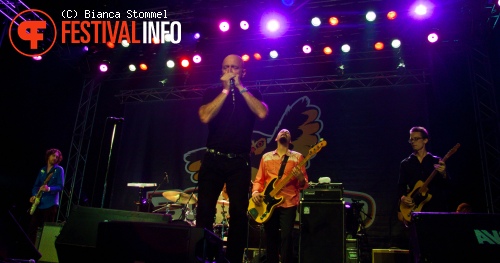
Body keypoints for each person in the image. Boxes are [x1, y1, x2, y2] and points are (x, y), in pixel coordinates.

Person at [196, 54, 268, 263]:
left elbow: (262, 113)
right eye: (226, 67)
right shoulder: (212, 92)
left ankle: (234, 259)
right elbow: (205, 116)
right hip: (213, 159)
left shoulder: (252, 92)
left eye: (234, 68)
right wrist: (225, 90)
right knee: (205, 210)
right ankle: (204, 256)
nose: (229, 71)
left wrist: (240, 88)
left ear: (242, 72)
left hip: (239, 161)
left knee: (238, 213)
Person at [251, 129, 309, 263]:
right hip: (269, 203)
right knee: (270, 237)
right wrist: (255, 192)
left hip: (288, 202)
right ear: (276, 138)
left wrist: (300, 178)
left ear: (290, 140)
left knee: (286, 237)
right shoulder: (266, 157)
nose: (284, 132)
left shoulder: (297, 157)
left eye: (288, 132)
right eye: (281, 131)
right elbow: (259, 180)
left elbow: (304, 184)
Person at [398, 126, 451, 216]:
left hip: (435, 206)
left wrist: (443, 173)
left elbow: (447, 185)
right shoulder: (406, 163)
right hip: (415, 208)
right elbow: (401, 185)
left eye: (416, 139)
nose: (413, 142)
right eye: (411, 139)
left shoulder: (436, 161)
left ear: (425, 140)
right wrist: (403, 197)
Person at [28, 148, 65, 243]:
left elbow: (60, 186)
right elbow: (36, 186)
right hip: (39, 203)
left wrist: (49, 189)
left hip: (51, 203)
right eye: (53, 155)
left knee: (47, 229)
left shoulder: (59, 169)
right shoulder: (42, 170)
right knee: (32, 228)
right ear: (48, 156)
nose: (55, 158)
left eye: (57, 157)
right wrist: (34, 196)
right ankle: (31, 252)